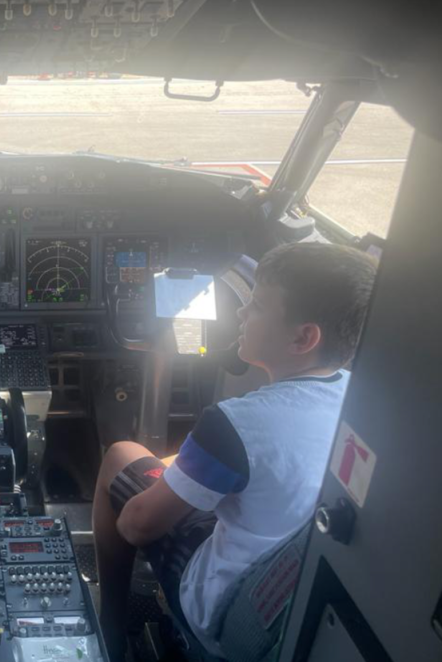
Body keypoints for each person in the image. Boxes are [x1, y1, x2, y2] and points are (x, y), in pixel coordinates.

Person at [93, 242, 377, 659]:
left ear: (303, 336)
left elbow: (138, 526)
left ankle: (111, 627)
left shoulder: (237, 423)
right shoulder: (367, 406)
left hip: (229, 613)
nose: (242, 312)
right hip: (294, 597)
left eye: (257, 305)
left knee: (120, 454)